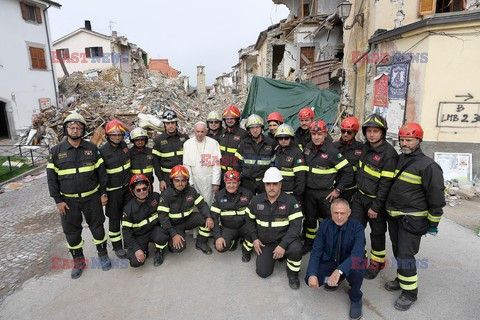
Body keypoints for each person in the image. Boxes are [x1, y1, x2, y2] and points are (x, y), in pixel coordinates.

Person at [384, 123, 445, 311]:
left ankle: (410, 293)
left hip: (412, 219)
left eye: (409, 140)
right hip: (395, 217)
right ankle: (402, 279)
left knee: (405, 255)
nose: (404, 143)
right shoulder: (400, 159)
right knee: (397, 251)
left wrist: (433, 223)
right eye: (402, 139)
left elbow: (436, 197)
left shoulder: (429, 166)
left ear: (419, 141)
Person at [46, 112, 111, 279]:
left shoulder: (92, 149)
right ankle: (78, 261)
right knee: (72, 233)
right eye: (72, 127)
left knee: (97, 228)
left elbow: (101, 173)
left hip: (92, 198)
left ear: (83, 130)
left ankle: (103, 255)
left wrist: (103, 193)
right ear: (66, 129)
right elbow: (51, 179)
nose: (75, 130)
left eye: (78, 127)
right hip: (68, 202)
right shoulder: (56, 151)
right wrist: (58, 201)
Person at [350, 114, 398, 280]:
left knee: (377, 234)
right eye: (369, 131)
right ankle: (359, 259)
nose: (371, 134)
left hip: (375, 202)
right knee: (355, 230)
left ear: (382, 133)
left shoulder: (389, 154)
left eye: (375, 131)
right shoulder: (365, 148)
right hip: (360, 198)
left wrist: (376, 206)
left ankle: (377, 262)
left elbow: (386, 184)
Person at [305, 198, 366, 320]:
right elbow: (316, 250)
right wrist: (312, 273)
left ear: (349, 213)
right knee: (310, 279)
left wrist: (339, 270)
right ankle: (334, 279)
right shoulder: (324, 225)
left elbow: (358, 254)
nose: (339, 217)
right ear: (331, 212)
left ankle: (355, 298)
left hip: (351, 261)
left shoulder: (357, 227)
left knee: (357, 271)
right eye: (335, 213)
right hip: (331, 260)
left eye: (342, 213)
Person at [246, 167, 303, 289]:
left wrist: (282, 245)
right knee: (263, 272)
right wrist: (255, 239)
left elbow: (296, 226)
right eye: (268, 184)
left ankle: (292, 273)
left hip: (286, 241)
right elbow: (249, 220)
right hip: (267, 243)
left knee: (296, 249)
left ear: (280, 185)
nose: (271, 187)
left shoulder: (290, 201)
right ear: (264, 185)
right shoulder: (256, 201)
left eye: (275, 184)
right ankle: (277, 256)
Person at [303, 120, 354, 254]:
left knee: (327, 222)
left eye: (319, 134)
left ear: (325, 134)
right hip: (309, 193)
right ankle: (309, 243)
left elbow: (348, 172)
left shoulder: (332, 151)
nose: (316, 137)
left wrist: (338, 190)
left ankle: (328, 247)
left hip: (325, 194)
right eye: (313, 134)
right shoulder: (308, 148)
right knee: (310, 220)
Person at [157, 165, 214, 254]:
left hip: (188, 220)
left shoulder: (191, 191)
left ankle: (201, 242)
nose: (180, 183)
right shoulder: (166, 195)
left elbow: (202, 205)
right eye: (177, 180)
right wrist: (173, 234)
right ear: (171, 181)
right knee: (177, 249)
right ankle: (171, 239)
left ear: (187, 181)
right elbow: (163, 218)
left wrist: (208, 217)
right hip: (174, 225)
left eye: (183, 180)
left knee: (206, 219)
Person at [99, 119, 132, 259]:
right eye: (114, 135)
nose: (117, 137)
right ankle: (117, 246)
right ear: (108, 135)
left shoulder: (124, 146)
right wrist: (103, 193)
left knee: (127, 217)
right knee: (114, 219)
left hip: (127, 190)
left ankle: (128, 242)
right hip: (113, 192)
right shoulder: (102, 151)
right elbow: (100, 175)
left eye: (119, 134)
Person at [122, 174, 169, 267]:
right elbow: (126, 232)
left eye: (144, 188)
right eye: (138, 190)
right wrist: (136, 249)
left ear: (148, 188)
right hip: (139, 236)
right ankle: (144, 250)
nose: (142, 192)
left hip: (154, 231)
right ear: (133, 191)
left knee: (163, 236)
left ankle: (159, 251)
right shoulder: (128, 209)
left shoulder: (155, 197)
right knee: (135, 262)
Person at [210, 170, 254, 262]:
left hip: (244, 226)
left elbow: (254, 215)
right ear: (225, 182)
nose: (231, 185)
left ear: (239, 183)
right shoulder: (218, 196)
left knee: (254, 232)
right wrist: (218, 236)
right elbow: (213, 217)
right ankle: (233, 241)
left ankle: (246, 251)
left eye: (234, 183)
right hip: (228, 228)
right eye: (228, 182)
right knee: (220, 247)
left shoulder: (248, 194)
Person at [234, 114, 275, 195]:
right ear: (248, 130)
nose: (255, 130)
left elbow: (275, 163)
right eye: (252, 127)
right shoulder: (243, 143)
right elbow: (237, 163)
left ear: (262, 128)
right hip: (247, 182)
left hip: (264, 182)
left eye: (257, 127)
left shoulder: (271, 143)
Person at [183, 122, 222, 206]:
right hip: (195, 179)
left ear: (206, 132)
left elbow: (216, 165)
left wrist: (216, 183)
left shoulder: (213, 143)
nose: (200, 134)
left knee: (210, 203)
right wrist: (190, 182)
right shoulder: (187, 144)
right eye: (197, 131)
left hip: (209, 179)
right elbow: (187, 166)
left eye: (202, 132)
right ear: (194, 131)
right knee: (196, 203)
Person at [153, 109, 189, 192]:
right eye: (168, 123)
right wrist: (161, 180)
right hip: (167, 177)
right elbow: (156, 163)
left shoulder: (184, 138)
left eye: (172, 123)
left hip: (182, 176)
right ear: (164, 124)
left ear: (176, 123)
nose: (170, 126)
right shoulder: (158, 141)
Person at [272, 123, 307, 203]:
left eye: (286, 138)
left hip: (291, 195)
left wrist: (296, 197)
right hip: (277, 193)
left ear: (291, 138)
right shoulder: (276, 151)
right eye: (281, 138)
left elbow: (300, 179)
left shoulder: (297, 153)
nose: (283, 140)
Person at [333, 117, 365, 203]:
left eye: (349, 132)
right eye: (343, 131)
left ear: (355, 133)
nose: (345, 134)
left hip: (352, 190)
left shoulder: (361, 147)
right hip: (335, 188)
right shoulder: (334, 147)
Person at [218, 105, 249, 176]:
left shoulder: (243, 134)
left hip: (235, 174)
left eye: (232, 118)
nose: (229, 120)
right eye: (227, 118)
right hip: (222, 173)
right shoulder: (222, 133)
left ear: (237, 119)